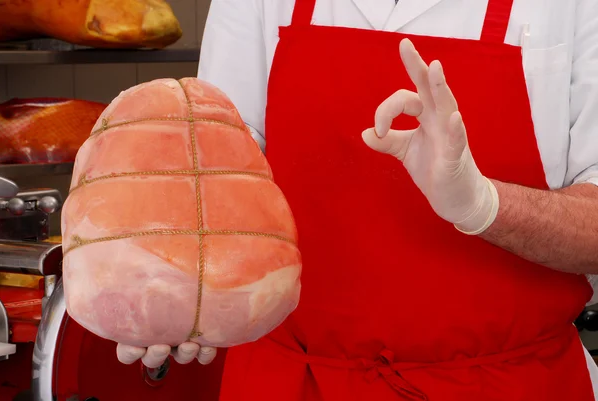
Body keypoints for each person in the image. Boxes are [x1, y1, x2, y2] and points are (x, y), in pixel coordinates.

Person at [116, 0, 598, 399]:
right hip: (291, 382)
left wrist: (484, 206)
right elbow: (214, 180)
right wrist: (176, 295)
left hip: (511, 384)